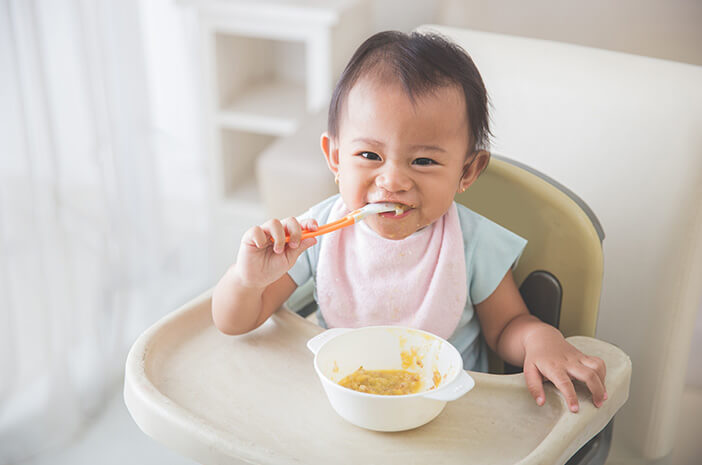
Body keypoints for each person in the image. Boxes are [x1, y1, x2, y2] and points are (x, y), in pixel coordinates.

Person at [212, 31, 607, 413]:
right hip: (347, 408)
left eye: (423, 161)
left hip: (450, 416)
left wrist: (540, 339)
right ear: (335, 157)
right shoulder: (316, 233)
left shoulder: (471, 243)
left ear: (467, 172)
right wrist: (249, 281)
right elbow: (233, 322)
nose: (393, 181)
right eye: (369, 155)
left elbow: (507, 326)